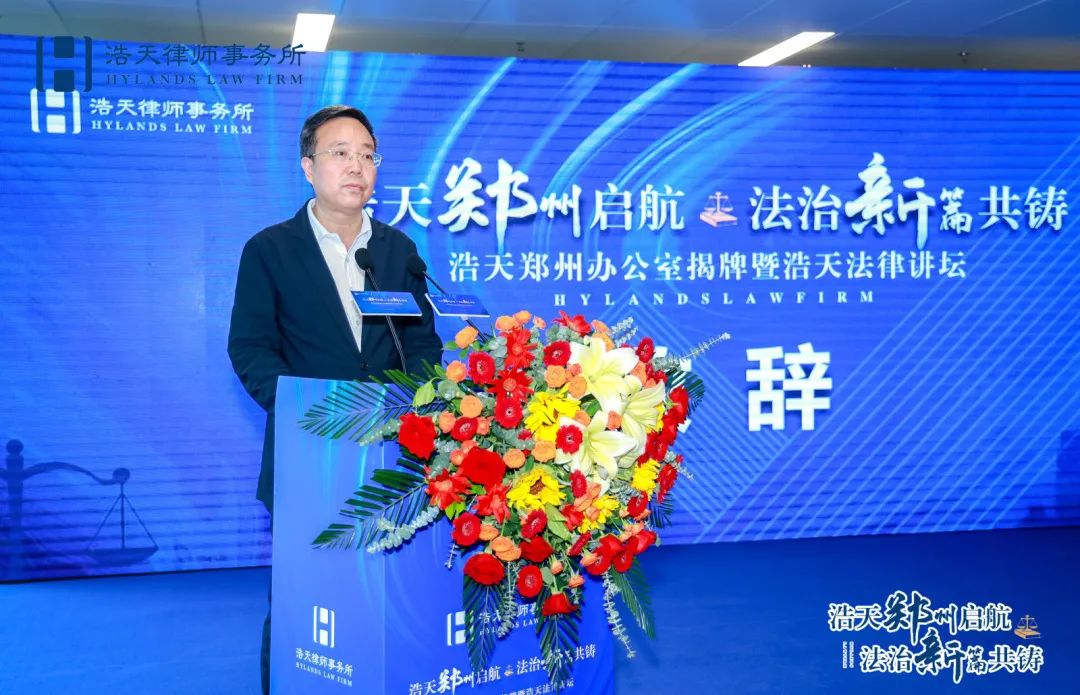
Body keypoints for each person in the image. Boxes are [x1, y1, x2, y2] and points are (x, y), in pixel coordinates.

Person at [227, 105, 443, 694]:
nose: (357, 166)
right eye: (340, 153)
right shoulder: (271, 249)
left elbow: (422, 344)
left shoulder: (397, 250)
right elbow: (250, 348)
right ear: (308, 166)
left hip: (394, 457)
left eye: (367, 155)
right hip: (310, 454)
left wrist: (415, 404)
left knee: (391, 600)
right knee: (304, 603)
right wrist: (304, 410)